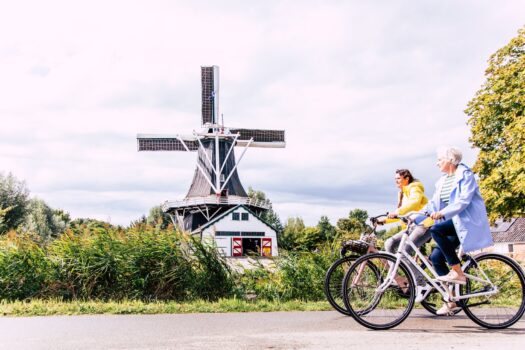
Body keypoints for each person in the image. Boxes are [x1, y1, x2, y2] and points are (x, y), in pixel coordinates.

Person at [426, 146, 493, 315]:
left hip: (465, 222)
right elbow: (432, 205)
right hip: (453, 223)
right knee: (435, 258)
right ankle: (452, 299)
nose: (437, 163)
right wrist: (412, 216)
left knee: (436, 230)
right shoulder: (442, 181)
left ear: (450, 160)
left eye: (440, 160)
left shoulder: (465, 175)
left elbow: (464, 201)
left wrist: (443, 213)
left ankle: (457, 272)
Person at [378, 169, 432, 292]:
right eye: (395, 178)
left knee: (405, 251)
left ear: (406, 178)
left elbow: (414, 203)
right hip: (411, 226)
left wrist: (397, 212)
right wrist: (384, 221)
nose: (396, 181)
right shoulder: (402, 193)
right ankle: (394, 276)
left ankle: (422, 284)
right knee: (389, 243)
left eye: (398, 178)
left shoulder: (415, 187)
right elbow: (401, 215)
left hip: (424, 224)